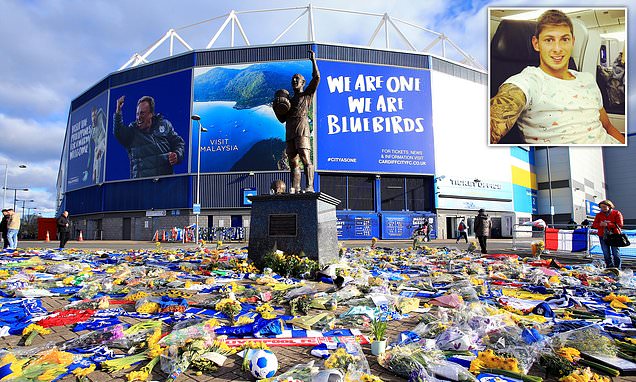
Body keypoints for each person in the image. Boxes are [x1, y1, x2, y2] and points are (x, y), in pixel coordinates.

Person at [490, 9, 625, 145]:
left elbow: (607, 127)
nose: (557, 48)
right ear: (536, 44)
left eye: (564, 39)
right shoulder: (528, 81)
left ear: (572, 42)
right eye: (549, 40)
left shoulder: (588, 79)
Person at [273, 51, 320, 193]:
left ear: (303, 82)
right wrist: (277, 108)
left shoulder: (307, 95)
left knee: (305, 158)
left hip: (302, 129)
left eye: (297, 79)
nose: (294, 81)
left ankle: (310, 186)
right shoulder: (289, 101)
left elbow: (317, 77)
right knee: (293, 161)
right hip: (290, 131)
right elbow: (282, 119)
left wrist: (313, 61)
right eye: (293, 79)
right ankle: (295, 187)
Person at [114, 95, 185, 179]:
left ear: (151, 114)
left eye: (142, 113)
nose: (138, 117)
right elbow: (118, 132)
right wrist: (118, 111)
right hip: (142, 186)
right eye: (137, 114)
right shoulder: (132, 132)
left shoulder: (164, 125)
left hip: (165, 185)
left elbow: (179, 143)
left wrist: (177, 155)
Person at [591, 199, 624, 269]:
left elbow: (620, 224)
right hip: (603, 235)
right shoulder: (599, 215)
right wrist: (600, 224)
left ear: (609, 206)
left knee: (616, 253)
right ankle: (609, 267)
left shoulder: (617, 213)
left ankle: (618, 268)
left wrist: (607, 224)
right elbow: (594, 224)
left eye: (604, 206)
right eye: (601, 207)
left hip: (614, 235)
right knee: (606, 253)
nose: (603, 208)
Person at [90, 106, 107, 183]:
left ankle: (98, 182)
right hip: (96, 147)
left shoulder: (100, 114)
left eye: (95, 115)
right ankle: (95, 182)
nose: (94, 117)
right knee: (94, 169)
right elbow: (91, 148)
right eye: (92, 116)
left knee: (98, 155)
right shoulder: (92, 130)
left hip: (103, 141)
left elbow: (102, 113)